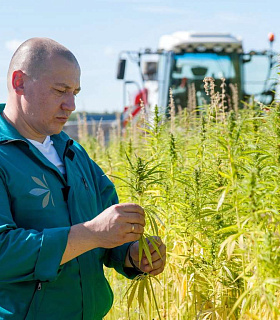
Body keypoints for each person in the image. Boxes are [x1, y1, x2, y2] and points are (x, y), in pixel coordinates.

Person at [0, 38, 166, 320]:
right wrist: (91, 233)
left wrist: (131, 253)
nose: (71, 104)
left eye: (75, 92)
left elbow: (106, 234)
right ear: (19, 82)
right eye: (60, 90)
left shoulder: (73, 153)